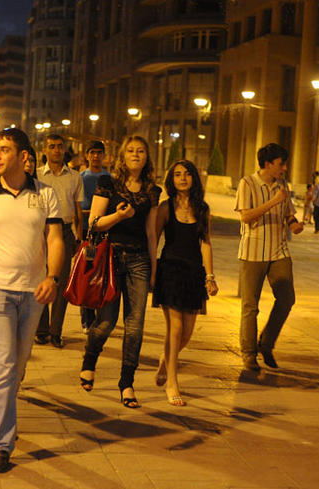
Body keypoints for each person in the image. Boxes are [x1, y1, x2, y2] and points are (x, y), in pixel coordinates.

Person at [0, 128, 64, 473]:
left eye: (4, 149)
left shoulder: (46, 195)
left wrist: (52, 277)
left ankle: (6, 411)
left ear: (24, 157)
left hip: (33, 291)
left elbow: (55, 238)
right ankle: (2, 443)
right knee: (3, 365)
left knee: (16, 366)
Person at [79, 135, 162, 409]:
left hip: (139, 261)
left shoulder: (152, 191)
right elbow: (94, 223)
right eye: (131, 150)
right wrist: (119, 217)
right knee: (106, 323)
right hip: (111, 259)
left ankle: (127, 383)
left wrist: (153, 268)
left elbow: (151, 232)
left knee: (136, 326)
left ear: (147, 156)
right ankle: (90, 359)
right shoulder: (108, 184)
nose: (136, 154)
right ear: (122, 156)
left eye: (141, 150)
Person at [152, 160, 218, 406]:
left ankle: (165, 359)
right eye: (177, 174)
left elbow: (206, 243)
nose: (182, 178)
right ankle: (172, 382)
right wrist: (152, 272)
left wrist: (210, 276)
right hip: (170, 271)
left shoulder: (203, 209)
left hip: (193, 274)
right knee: (175, 329)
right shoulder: (165, 208)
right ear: (171, 179)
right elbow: (155, 239)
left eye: (187, 174)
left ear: (194, 178)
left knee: (187, 334)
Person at [235, 143, 304, 371]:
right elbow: (246, 217)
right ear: (267, 163)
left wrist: (294, 225)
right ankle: (248, 353)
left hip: (279, 251)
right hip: (253, 252)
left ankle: (266, 343)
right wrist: (273, 201)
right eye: (280, 164)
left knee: (287, 299)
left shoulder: (282, 185)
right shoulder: (247, 183)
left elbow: (288, 213)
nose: (284, 168)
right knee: (250, 306)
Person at [34, 134, 84, 348]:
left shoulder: (74, 177)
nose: (56, 150)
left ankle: (56, 331)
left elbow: (78, 208)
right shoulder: (36, 176)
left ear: (65, 150)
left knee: (61, 282)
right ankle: (41, 329)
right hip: (41, 231)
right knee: (41, 279)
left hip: (64, 231)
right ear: (45, 150)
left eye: (59, 147)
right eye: (52, 146)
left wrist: (79, 235)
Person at [79, 141, 110, 333]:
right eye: (93, 153)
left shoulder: (110, 178)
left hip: (105, 232)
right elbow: (78, 208)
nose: (96, 156)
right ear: (87, 155)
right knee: (87, 273)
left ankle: (101, 316)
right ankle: (86, 319)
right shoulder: (81, 178)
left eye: (99, 153)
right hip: (86, 233)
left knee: (103, 274)